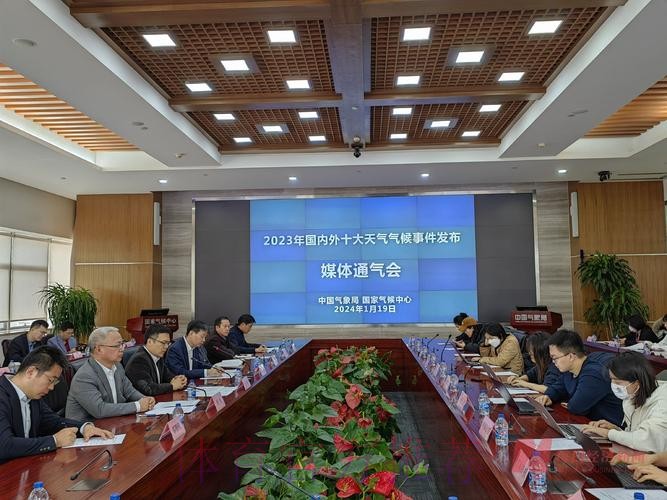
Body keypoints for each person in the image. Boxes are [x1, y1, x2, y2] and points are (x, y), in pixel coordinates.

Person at [0, 346, 112, 463]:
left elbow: (54, 421)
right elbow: (4, 445)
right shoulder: (3, 394)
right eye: (50, 380)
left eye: (55, 382)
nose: (52, 387)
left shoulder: (32, 395)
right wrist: (54, 441)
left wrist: (84, 428)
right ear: (31, 372)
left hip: (24, 465)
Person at [581, 352, 667, 452]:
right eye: (612, 380)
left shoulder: (663, 402)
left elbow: (647, 441)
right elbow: (635, 435)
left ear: (637, 383)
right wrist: (615, 429)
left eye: (617, 382)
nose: (613, 385)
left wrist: (609, 434)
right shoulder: (633, 395)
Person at [66, 327, 155, 421]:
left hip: (114, 422)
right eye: (117, 345)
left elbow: (129, 391)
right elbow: (100, 410)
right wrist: (138, 406)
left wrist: (145, 399)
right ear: (99, 349)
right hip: (89, 427)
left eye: (122, 344)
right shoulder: (84, 376)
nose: (122, 349)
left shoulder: (117, 366)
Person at [535, 329, 623, 425]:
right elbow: (556, 389)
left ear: (571, 356)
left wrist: (570, 404)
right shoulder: (569, 370)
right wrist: (548, 396)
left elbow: (576, 407)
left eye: (555, 358)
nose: (553, 362)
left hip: (608, 428)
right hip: (589, 423)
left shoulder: (593, 373)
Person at [124, 324, 187, 396]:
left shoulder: (158, 356)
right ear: (150, 341)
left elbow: (167, 377)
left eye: (168, 343)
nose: (166, 347)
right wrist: (172, 386)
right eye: (163, 343)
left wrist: (178, 379)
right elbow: (148, 389)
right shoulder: (139, 360)